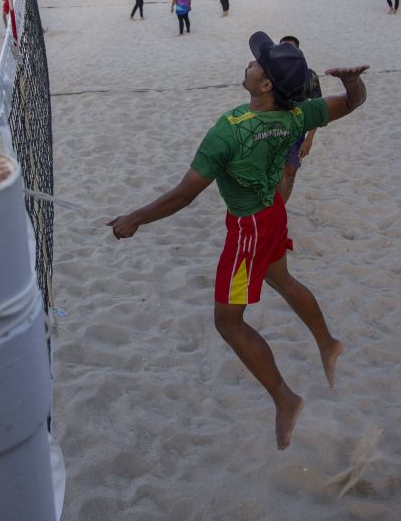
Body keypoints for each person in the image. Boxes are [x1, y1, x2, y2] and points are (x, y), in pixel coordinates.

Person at [107, 32, 368, 449]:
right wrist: (352, 81)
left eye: (256, 64)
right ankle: (328, 342)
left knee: (227, 322)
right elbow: (353, 103)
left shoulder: (228, 131)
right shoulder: (297, 115)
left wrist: (135, 219)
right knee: (282, 279)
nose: (249, 64)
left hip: (248, 227)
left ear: (265, 86)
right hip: (273, 212)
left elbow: (184, 195)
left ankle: (286, 398)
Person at [276, 36, 323, 203]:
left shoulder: (309, 76)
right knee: (272, 175)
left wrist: (309, 139)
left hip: (296, 134)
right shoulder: (270, 74)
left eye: (289, 49)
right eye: (281, 49)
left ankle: (279, 212)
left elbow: (317, 109)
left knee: (289, 175)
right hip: (271, 130)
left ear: (298, 52)